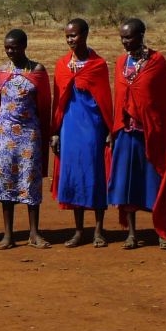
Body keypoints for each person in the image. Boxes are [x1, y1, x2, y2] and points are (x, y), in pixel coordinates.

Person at [107, 18, 166, 250]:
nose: (125, 42)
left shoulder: (157, 62)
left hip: (150, 134)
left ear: (141, 35)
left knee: (153, 183)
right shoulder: (120, 62)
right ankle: (131, 233)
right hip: (126, 134)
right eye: (122, 38)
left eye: (129, 37)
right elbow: (119, 98)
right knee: (128, 184)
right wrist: (114, 129)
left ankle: (161, 232)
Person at [51, 18, 114, 248]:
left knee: (95, 175)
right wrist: (55, 131)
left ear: (85, 34)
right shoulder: (62, 65)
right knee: (74, 176)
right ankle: (79, 231)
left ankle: (98, 230)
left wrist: (109, 129)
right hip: (69, 127)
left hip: (94, 127)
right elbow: (57, 101)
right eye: (67, 36)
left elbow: (106, 100)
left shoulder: (98, 65)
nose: (70, 40)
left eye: (74, 35)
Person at [0, 29, 51, 249]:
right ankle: (8, 234)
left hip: (29, 134)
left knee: (30, 181)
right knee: (6, 180)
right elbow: (0, 102)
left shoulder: (37, 71)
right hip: (4, 134)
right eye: (7, 47)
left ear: (24, 46)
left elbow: (45, 105)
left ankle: (34, 233)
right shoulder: (1, 72)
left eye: (14, 47)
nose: (10, 51)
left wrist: (47, 133)